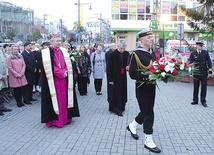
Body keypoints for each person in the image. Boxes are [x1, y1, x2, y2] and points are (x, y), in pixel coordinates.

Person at [126, 28, 161, 153]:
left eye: (151, 37)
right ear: (141, 39)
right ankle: (148, 140)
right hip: (142, 87)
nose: (151, 39)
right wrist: (149, 76)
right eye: (148, 37)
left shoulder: (151, 52)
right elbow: (132, 74)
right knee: (149, 114)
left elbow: (155, 66)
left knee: (146, 110)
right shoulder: (136, 54)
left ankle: (132, 126)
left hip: (151, 86)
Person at [39, 34, 80, 128]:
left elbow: (67, 63)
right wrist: (61, 73)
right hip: (54, 80)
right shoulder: (46, 52)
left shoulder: (63, 51)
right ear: (52, 41)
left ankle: (65, 118)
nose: (58, 42)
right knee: (56, 99)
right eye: (56, 41)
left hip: (64, 80)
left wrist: (66, 71)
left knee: (65, 99)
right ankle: (56, 121)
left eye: (59, 41)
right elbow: (48, 67)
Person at [106, 42, 129, 116]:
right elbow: (108, 68)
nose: (122, 50)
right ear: (118, 46)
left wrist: (128, 67)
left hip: (122, 76)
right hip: (114, 77)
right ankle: (115, 108)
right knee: (115, 92)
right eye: (121, 48)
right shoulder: (112, 55)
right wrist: (110, 80)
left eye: (123, 49)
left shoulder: (126, 54)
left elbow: (128, 63)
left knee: (122, 91)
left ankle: (122, 106)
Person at [189, 41, 212, 107]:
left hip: (203, 72)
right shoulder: (193, 53)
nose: (200, 47)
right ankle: (195, 100)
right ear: (196, 46)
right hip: (196, 73)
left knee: (204, 87)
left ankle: (203, 101)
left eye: (201, 46)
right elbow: (191, 63)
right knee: (196, 87)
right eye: (199, 45)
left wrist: (210, 72)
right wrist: (190, 72)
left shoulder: (205, 53)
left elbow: (209, 62)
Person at [0, 48, 12, 116]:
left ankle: (2, 107)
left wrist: (6, 74)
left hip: (4, 76)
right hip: (1, 77)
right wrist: (1, 76)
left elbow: (5, 64)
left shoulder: (1, 52)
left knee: (1, 93)